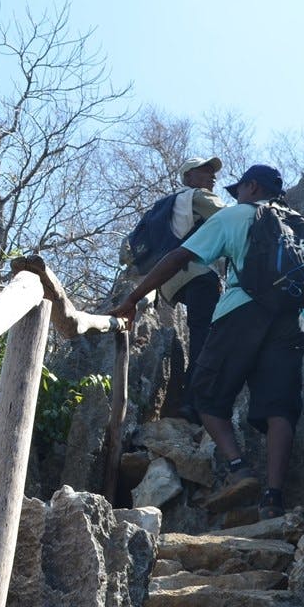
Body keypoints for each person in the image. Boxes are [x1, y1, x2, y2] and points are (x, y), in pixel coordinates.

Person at [110, 163, 304, 520]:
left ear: (251, 187)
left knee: (205, 394)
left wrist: (133, 298)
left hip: (241, 313)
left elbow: (179, 256)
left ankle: (239, 469)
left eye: (239, 190)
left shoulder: (236, 217)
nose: (236, 196)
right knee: (281, 407)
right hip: (293, 320)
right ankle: (273, 497)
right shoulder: (300, 224)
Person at [126, 157, 226, 418]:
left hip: (170, 284)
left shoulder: (163, 208)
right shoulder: (198, 197)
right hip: (198, 273)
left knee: (198, 332)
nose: (211, 176)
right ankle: (194, 402)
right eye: (204, 171)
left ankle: (188, 398)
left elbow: (128, 253)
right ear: (188, 177)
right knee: (206, 337)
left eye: (212, 172)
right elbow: (230, 219)